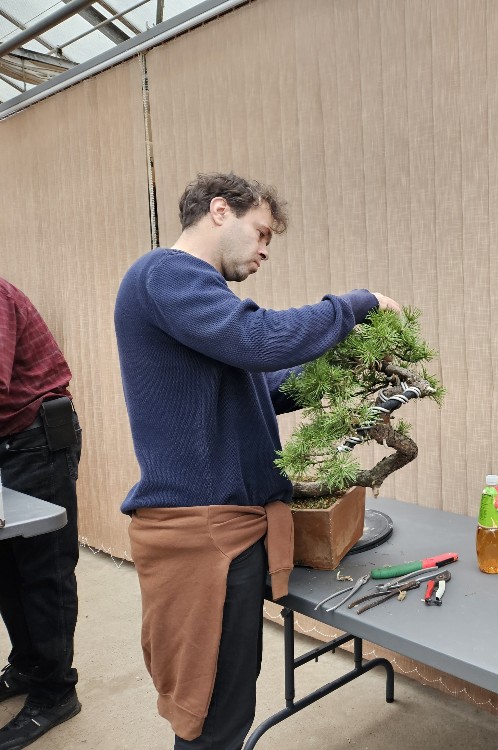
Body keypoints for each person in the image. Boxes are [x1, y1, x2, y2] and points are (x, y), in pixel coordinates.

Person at [114, 172, 400, 750]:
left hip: (226, 530)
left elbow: (262, 384)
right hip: (204, 536)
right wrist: (357, 305)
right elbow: (258, 338)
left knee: (227, 700)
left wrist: (342, 366)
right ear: (220, 210)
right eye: (262, 232)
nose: (266, 249)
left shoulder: (201, 307)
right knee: (212, 715)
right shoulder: (166, 273)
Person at [0, 278, 84, 750]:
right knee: (6, 567)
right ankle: (29, 666)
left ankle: (56, 692)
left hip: (34, 439)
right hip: (6, 440)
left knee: (43, 571)